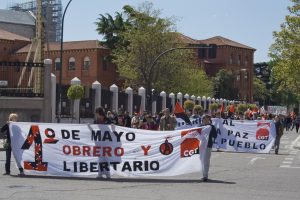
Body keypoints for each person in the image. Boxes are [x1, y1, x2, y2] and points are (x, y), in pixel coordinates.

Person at [201, 115, 217, 182]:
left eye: (207, 119)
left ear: (209, 120)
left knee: (206, 161)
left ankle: (205, 176)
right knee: (202, 161)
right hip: (201, 146)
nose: (205, 120)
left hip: (208, 145)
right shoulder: (200, 127)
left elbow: (215, 135)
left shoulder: (212, 127)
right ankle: (203, 174)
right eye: (204, 119)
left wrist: (210, 139)